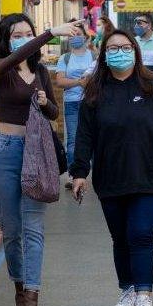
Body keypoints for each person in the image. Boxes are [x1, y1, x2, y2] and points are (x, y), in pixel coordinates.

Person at [70, 28, 153, 306]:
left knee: (141, 234)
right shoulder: (94, 93)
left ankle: (145, 296)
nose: (118, 52)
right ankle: (128, 290)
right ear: (104, 55)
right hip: (111, 177)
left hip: (150, 175)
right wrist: (80, 172)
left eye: (124, 47)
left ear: (134, 51)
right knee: (120, 238)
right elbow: (84, 136)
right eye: (112, 48)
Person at [0, 13, 80, 306]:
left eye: (28, 32)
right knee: (11, 230)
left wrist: (44, 102)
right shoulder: (0, 69)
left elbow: (54, 112)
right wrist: (50, 32)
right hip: (6, 152)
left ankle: (31, 294)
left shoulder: (41, 71)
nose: (24, 37)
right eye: (17, 33)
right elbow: (16, 56)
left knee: (33, 228)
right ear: (6, 39)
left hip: (37, 154)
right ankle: (18, 282)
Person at [55, 22, 95, 188]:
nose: (74, 37)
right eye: (71, 34)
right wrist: (80, 82)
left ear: (85, 37)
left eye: (77, 33)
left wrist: (87, 84)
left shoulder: (94, 56)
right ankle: (74, 174)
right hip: (72, 103)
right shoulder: (65, 58)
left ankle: (98, 171)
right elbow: (60, 81)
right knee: (73, 140)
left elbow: (100, 77)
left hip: (92, 102)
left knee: (96, 137)